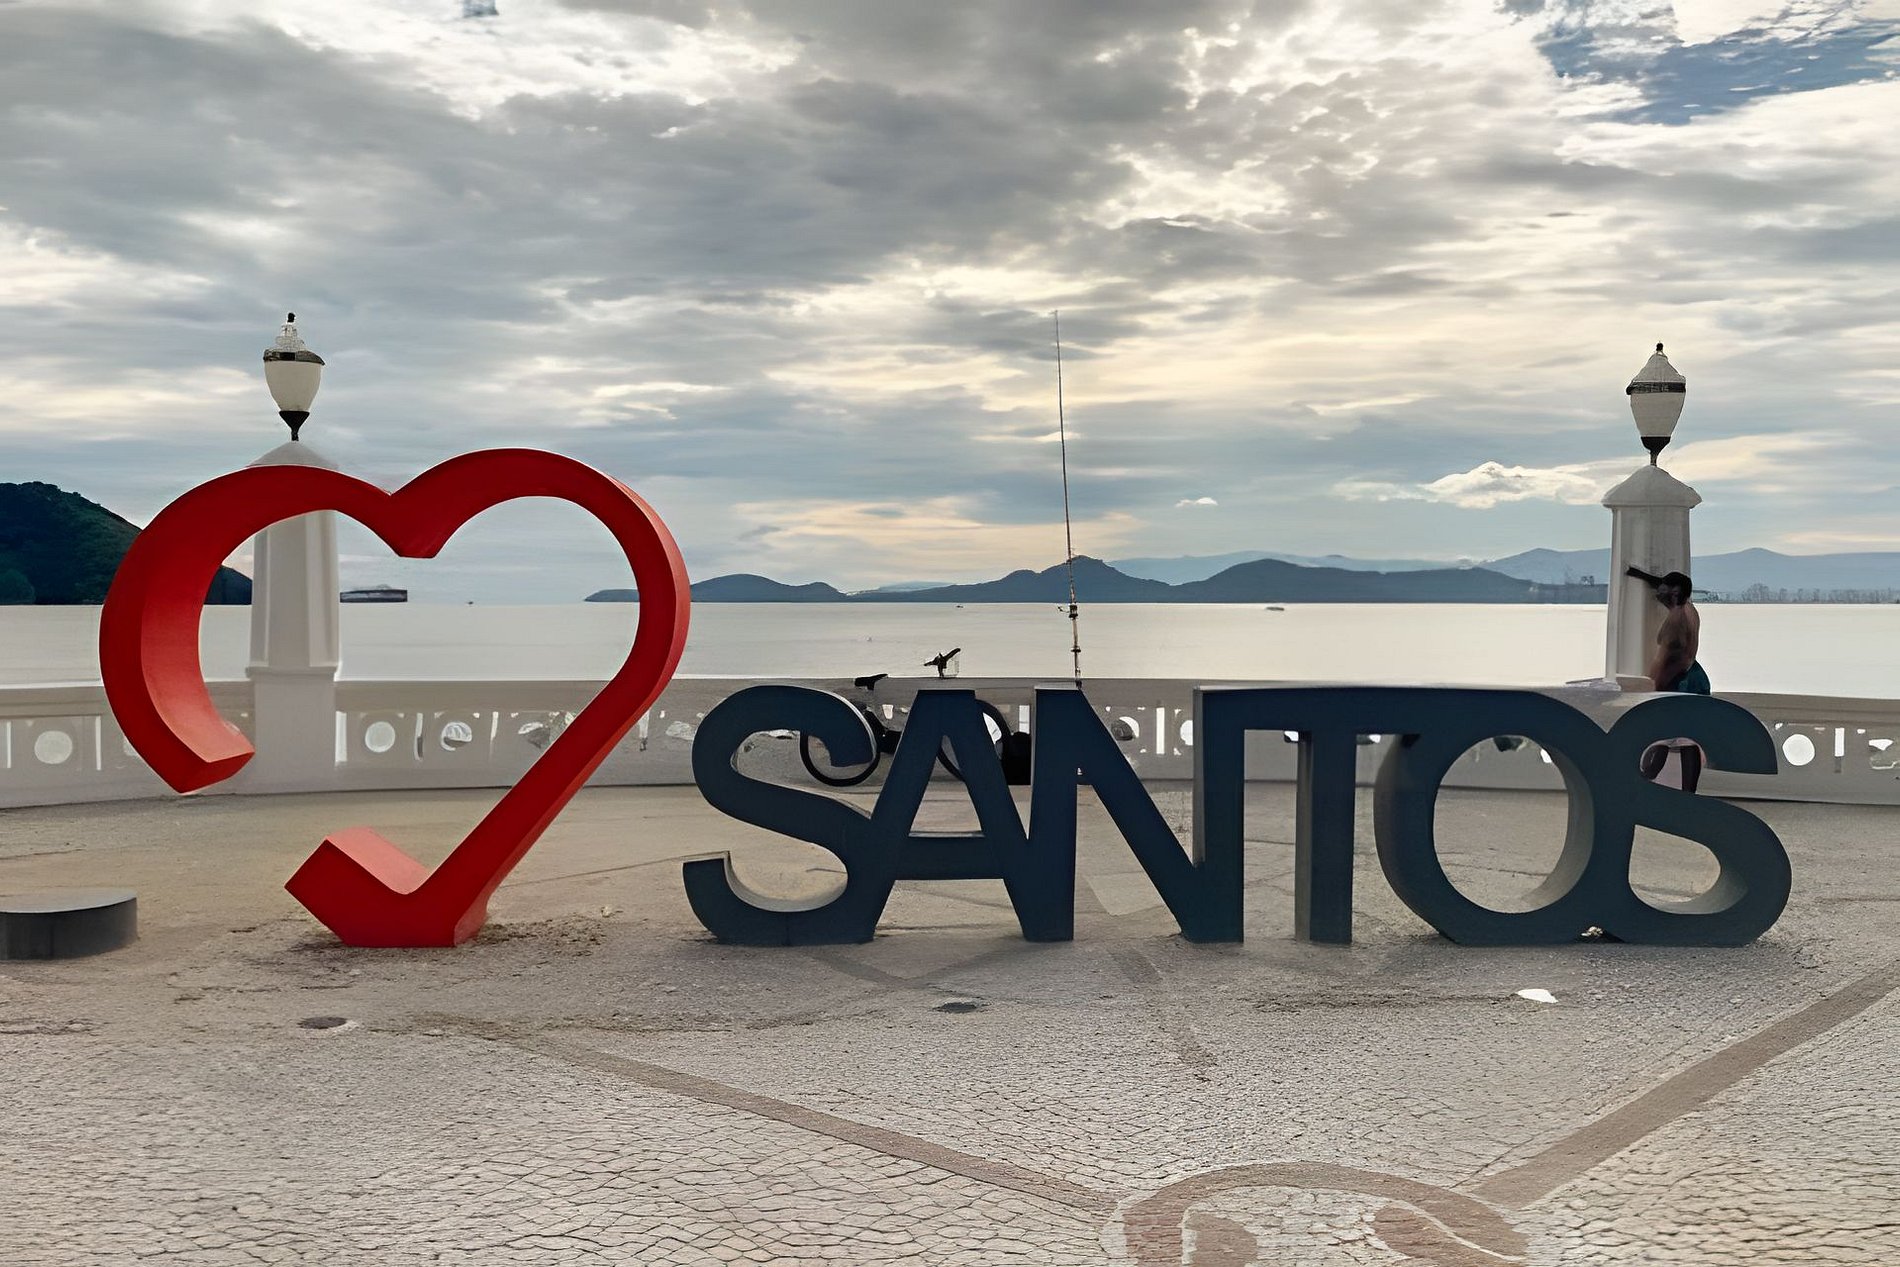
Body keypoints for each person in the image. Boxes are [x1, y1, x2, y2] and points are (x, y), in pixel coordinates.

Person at [1626, 566, 1708, 791]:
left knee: (1662, 734)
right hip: (1692, 678)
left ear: (1674, 594)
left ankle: (1644, 777)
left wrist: (1656, 685)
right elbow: (1665, 585)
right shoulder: (1688, 609)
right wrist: (1639, 575)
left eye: (1664, 592)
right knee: (1686, 737)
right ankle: (1687, 791)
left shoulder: (1677, 621)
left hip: (1678, 680)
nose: (1658, 595)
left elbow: (1675, 657)